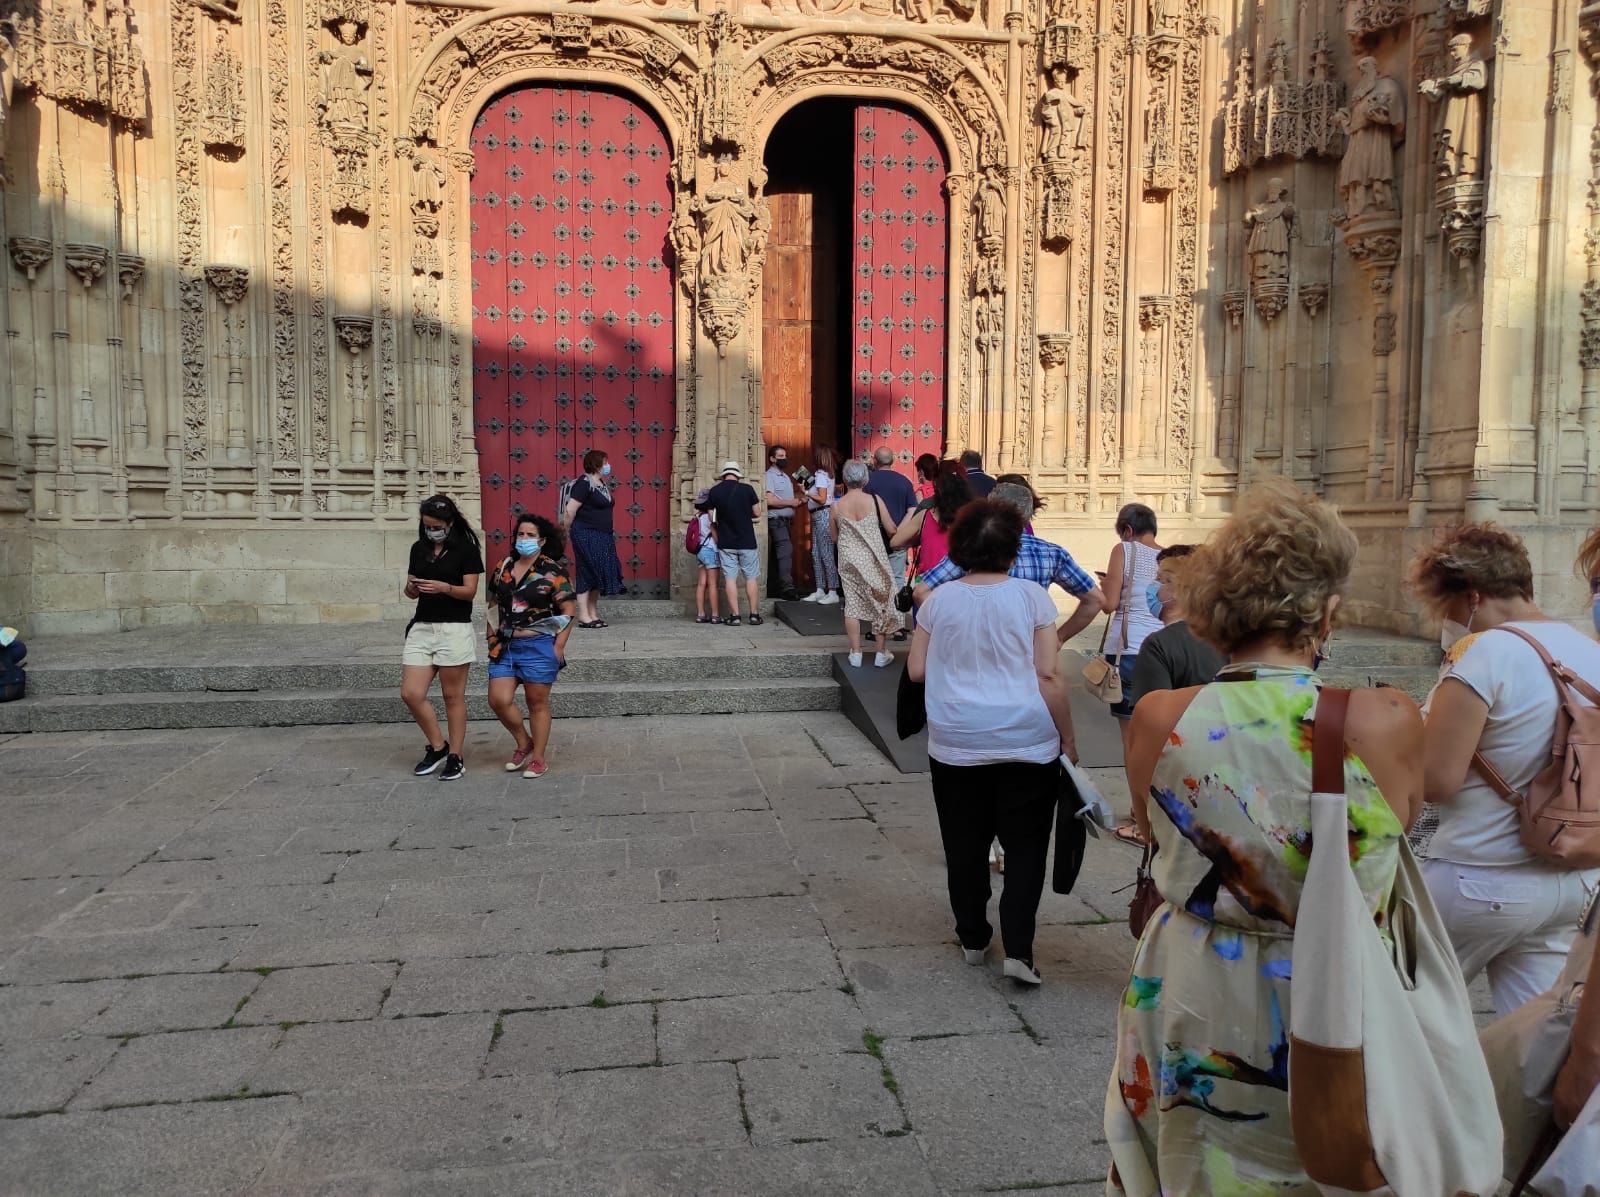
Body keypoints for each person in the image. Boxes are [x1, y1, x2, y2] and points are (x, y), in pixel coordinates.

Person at [1105, 479, 1425, 1192]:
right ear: (1327, 611)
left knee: (1192, 1159)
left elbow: (1156, 832)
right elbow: (1394, 837)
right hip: (1335, 994)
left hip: (1193, 981)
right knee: (1331, 1164)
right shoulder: (1388, 718)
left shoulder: (1159, 715)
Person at [1411, 524, 1600, 1016]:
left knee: (1406, 1020)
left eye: (1449, 612)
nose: (1452, 625)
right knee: (1534, 1039)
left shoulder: (1484, 653)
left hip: (1480, 877)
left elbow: (1437, 781)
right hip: (1569, 879)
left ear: (1472, 595)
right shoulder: (1589, 652)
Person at [907, 499, 1078, 987]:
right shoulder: (1031, 598)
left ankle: (973, 938)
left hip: (957, 741)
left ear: (960, 549)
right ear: (1012, 548)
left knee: (964, 844)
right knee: (1025, 848)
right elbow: (1048, 674)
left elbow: (917, 670)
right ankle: (1019, 949)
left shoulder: (938, 601)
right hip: (1027, 739)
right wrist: (1067, 735)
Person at [914, 481, 1104, 648]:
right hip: (1029, 654)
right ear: (1029, 515)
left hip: (975, 651)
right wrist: (1058, 639)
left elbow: (921, 591)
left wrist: (947, 632)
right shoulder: (1052, 554)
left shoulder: (972, 547)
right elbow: (1095, 599)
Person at [401, 494, 485, 782]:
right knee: (411, 693)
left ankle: (456, 755)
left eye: (436, 525)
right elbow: (409, 588)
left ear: (449, 523)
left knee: (452, 696)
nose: (431, 530)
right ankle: (438, 745)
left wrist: (443, 587)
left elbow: (470, 592)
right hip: (423, 626)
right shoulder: (418, 549)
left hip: (454, 627)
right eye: (427, 525)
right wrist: (413, 588)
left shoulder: (466, 549)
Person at [485, 513, 575, 780]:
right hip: (504, 644)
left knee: (537, 703)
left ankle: (538, 758)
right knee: (498, 699)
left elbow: (569, 609)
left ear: (542, 540)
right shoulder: (503, 566)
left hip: (538, 644)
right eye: (520, 534)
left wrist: (558, 646)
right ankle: (524, 742)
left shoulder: (553, 570)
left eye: (530, 535)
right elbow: (492, 604)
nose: (524, 539)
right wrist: (490, 636)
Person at [1127, 544, 1225, 709]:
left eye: (1159, 580)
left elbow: (1150, 716)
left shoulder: (1158, 646)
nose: (1152, 587)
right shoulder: (1226, 638)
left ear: (1177, 590)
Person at [1101, 502, 1163, 754]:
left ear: (1127, 530)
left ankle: (1137, 793)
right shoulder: (1171, 557)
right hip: (1163, 649)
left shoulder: (1124, 550)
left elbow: (1110, 604)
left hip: (1128, 650)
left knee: (1131, 741)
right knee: (1160, 734)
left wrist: (1106, 584)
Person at [832, 458, 899, 668]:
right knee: (881, 601)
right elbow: (891, 529)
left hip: (849, 559)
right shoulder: (875, 500)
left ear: (845, 478)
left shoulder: (836, 506)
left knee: (852, 604)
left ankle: (856, 652)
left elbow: (833, 537)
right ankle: (880, 653)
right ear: (865, 478)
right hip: (873, 558)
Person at [562, 449, 625, 630]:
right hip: (585, 533)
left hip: (603, 535)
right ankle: (583, 616)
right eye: (605, 462)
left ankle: (593, 613)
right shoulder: (583, 483)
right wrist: (567, 531)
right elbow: (570, 509)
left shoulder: (601, 483)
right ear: (596, 463)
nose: (607, 466)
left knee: (598, 572)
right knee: (587, 571)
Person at [863, 448, 918, 640]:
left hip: (874, 540)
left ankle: (878, 626)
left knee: (876, 583)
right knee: (897, 581)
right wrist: (899, 531)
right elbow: (912, 508)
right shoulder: (903, 481)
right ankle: (897, 626)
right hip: (898, 541)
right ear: (892, 460)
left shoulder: (868, 482)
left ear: (875, 461)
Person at [891, 460, 973, 577]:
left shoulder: (926, 514)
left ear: (937, 485)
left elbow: (895, 542)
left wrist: (920, 538)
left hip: (929, 581)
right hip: (962, 580)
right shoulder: (973, 515)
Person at [706, 460, 764, 626]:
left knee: (730, 579)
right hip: (747, 540)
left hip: (726, 542)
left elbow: (711, 518)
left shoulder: (715, 491)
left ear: (724, 475)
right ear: (738, 475)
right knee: (751, 578)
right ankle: (754, 615)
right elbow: (757, 513)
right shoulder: (747, 489)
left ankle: (735, 616)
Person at [763, 444, 803, 602]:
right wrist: (790, 503)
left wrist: (800, 498)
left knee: (778, 555)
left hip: (787, 521)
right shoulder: (769, 476)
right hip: (776, 521)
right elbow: (770, 500)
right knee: (785, 552)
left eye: (785, 456)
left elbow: (788, 498)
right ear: (772, 459)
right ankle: (787, 588)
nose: (784, 459)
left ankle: (774, 587)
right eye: (780, 457)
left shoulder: (786, 476)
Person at [803, 446, 841, 604]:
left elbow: (822, 498)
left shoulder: (820, 475)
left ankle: (832, 591)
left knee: (825, 553)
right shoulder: (825, 475)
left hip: (823, 514)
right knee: (817, 553)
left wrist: (805, 492)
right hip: (819, 515)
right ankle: (820, 588)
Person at [691, 488, 721, 624]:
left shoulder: (697, 516)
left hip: (700, 551)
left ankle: (701, 614)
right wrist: (720, 545)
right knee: (713, 584)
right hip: (710, 549)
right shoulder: (710, 516)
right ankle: (715, 615)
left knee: (701, 584)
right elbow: (714, 533)